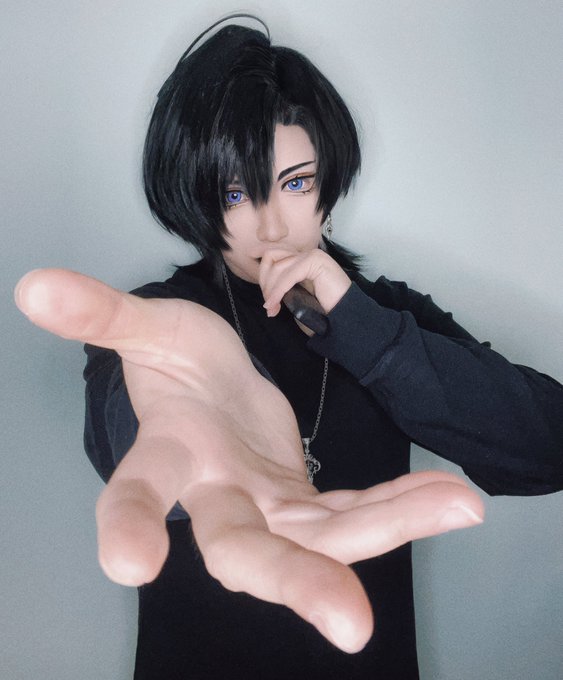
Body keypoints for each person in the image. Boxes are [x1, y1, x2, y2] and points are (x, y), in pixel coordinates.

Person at [14, 17, 563, 680]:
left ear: (328, 183)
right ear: (195, 196)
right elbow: (123, 438)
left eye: (296, 182)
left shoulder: (386, 314)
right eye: (235, 193)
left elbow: (546, 450)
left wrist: (361, 329)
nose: (271, 224)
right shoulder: (156, 322)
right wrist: (169, 426)